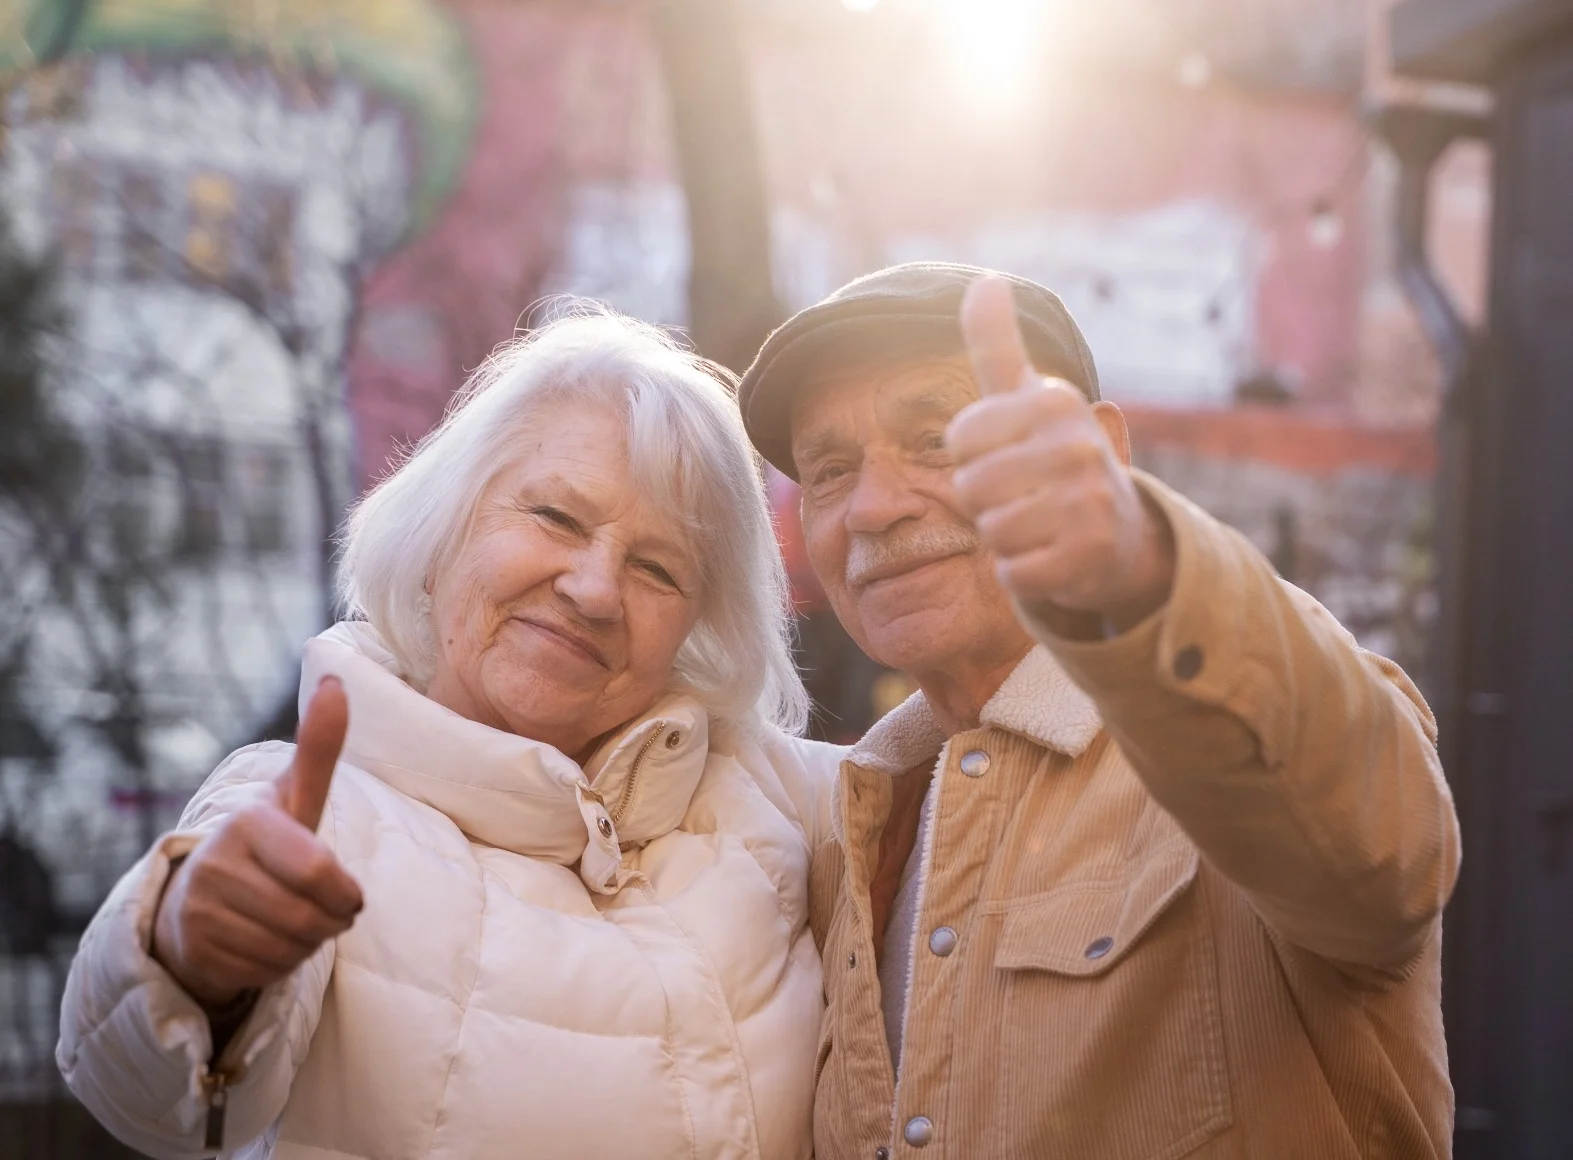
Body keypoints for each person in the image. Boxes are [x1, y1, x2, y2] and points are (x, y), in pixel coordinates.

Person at [57, 311, 843, 1160]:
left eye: (657, 568)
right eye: (555, 517)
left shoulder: (775, 799)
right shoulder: (305, 811)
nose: (593, 589)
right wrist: (189, 957)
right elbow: (147, 1097)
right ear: (440, 537)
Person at [736, 263, 1460, 1159]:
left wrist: (1141, 564)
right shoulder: (849, 829)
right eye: (831, 470)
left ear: (1105, 456)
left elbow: (1376, 847)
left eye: (934, 439)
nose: (874, 508)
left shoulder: (1232, 724)